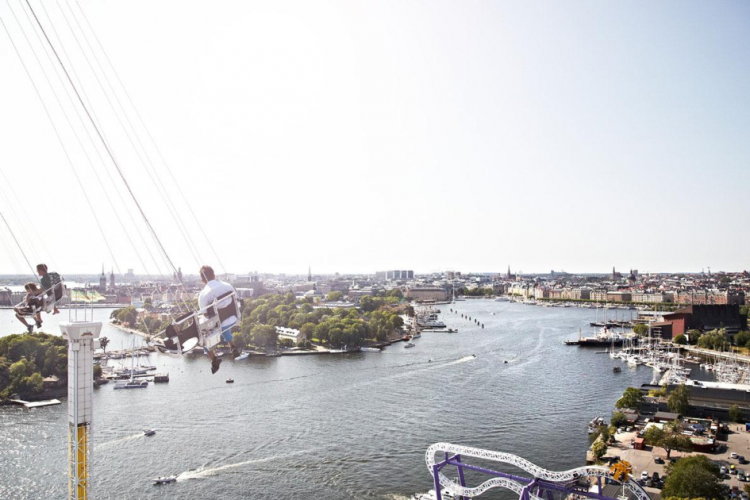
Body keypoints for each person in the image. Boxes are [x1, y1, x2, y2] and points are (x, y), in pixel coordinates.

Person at [198, 265, 240, 374]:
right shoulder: (228, 286)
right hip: (233, 317)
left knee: (202, 334)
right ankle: (232, 345)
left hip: (218, 323)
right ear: (214, 275)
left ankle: (214, 359)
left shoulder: (203, 294)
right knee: (223, 323)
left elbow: (205, 314)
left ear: (202, 280)